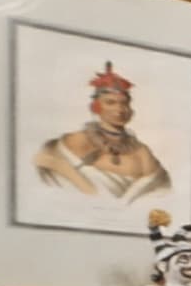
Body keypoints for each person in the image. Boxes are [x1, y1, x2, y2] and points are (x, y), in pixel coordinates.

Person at [34, 62, 172, 204]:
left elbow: (160, 192)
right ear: (96, 107)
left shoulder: (142, 152)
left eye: (124, 103)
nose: (120, 109)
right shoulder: (75, 141)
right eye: (110, 102)